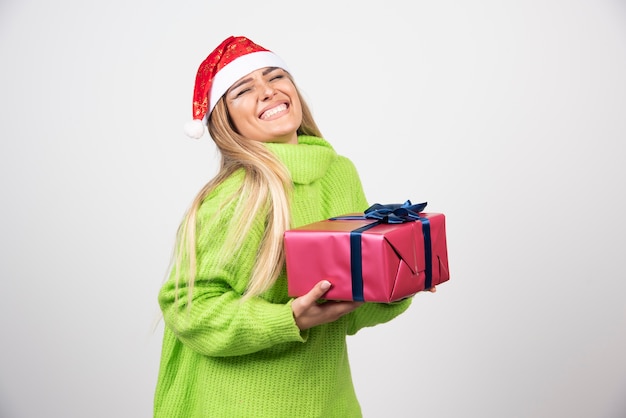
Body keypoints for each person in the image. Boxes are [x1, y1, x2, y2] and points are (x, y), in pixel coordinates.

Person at [154, 35, 430, 418]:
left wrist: (398, 282)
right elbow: (188, 310)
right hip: (237, 405)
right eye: (243, 90)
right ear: (225, 119)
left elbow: (349, 309)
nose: (268, 92)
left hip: (326, 402)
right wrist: (288, 319)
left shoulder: (338, 172)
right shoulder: (236, 196)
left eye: (276, 77)